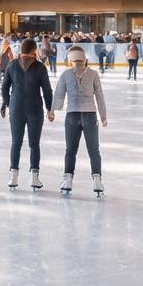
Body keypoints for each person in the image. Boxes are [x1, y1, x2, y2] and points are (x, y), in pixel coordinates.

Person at [52, 45, 107, 196]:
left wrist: (52, 111)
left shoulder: (66, 74)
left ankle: (68, 179)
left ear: (70, 60)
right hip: (90, 115)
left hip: (72, 115)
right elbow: (100, 96)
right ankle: (97, 180)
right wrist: (103, 116)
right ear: (85, 59)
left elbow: (58, 95)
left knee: (70, 150)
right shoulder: (94, 74)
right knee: (94, 150)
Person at [0, 38, 54, 191]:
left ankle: (13, 176)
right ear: (33, 51)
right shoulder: (40, 67)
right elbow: (47, 90)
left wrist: (8, 103)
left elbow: (4, 88)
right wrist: (50, 109)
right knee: (34, 144)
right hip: (35, 109)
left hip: (16, 109)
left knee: (16, 143)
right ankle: (34, 177)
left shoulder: (12, 65)